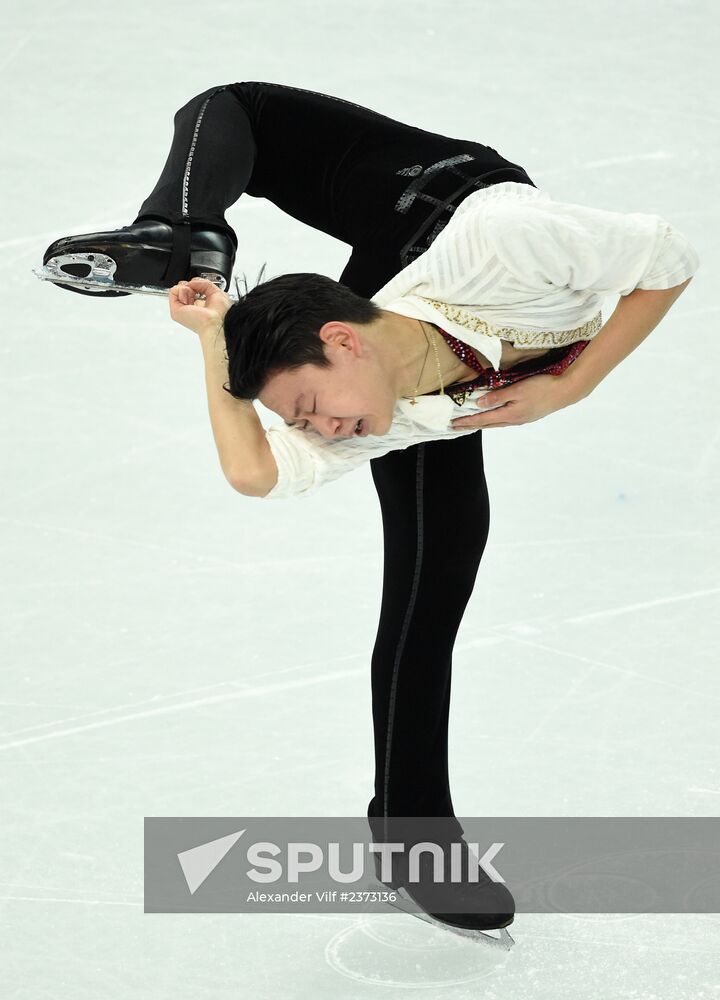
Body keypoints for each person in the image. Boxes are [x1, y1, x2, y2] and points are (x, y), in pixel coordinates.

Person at [42, 82, 699, 937]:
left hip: (443, 207)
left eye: (308, 405)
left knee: (242, 108)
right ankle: (412, 833)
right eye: (302, 423)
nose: (321, 432)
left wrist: (569, 388)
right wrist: (215, 338)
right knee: (428, 602)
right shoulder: (399, 414)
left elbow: (669, 258)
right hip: (411, 341)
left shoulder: (510, 239)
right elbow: (255, 473)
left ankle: (185, 233)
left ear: (341, 344)